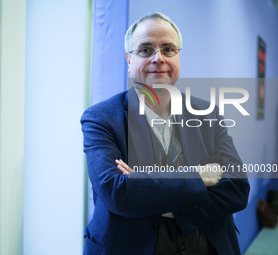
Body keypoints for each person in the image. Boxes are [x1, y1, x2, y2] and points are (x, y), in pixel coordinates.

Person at [81, 12, 250, 255]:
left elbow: (237, 189)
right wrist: (199, 177)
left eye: (168, 49)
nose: (158, 58)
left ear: (178, 56)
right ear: (129, 59)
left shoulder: (207, 113)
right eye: (145, 49)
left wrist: (146, 188)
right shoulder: (101, 118)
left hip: (208, 245)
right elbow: (117, 193)